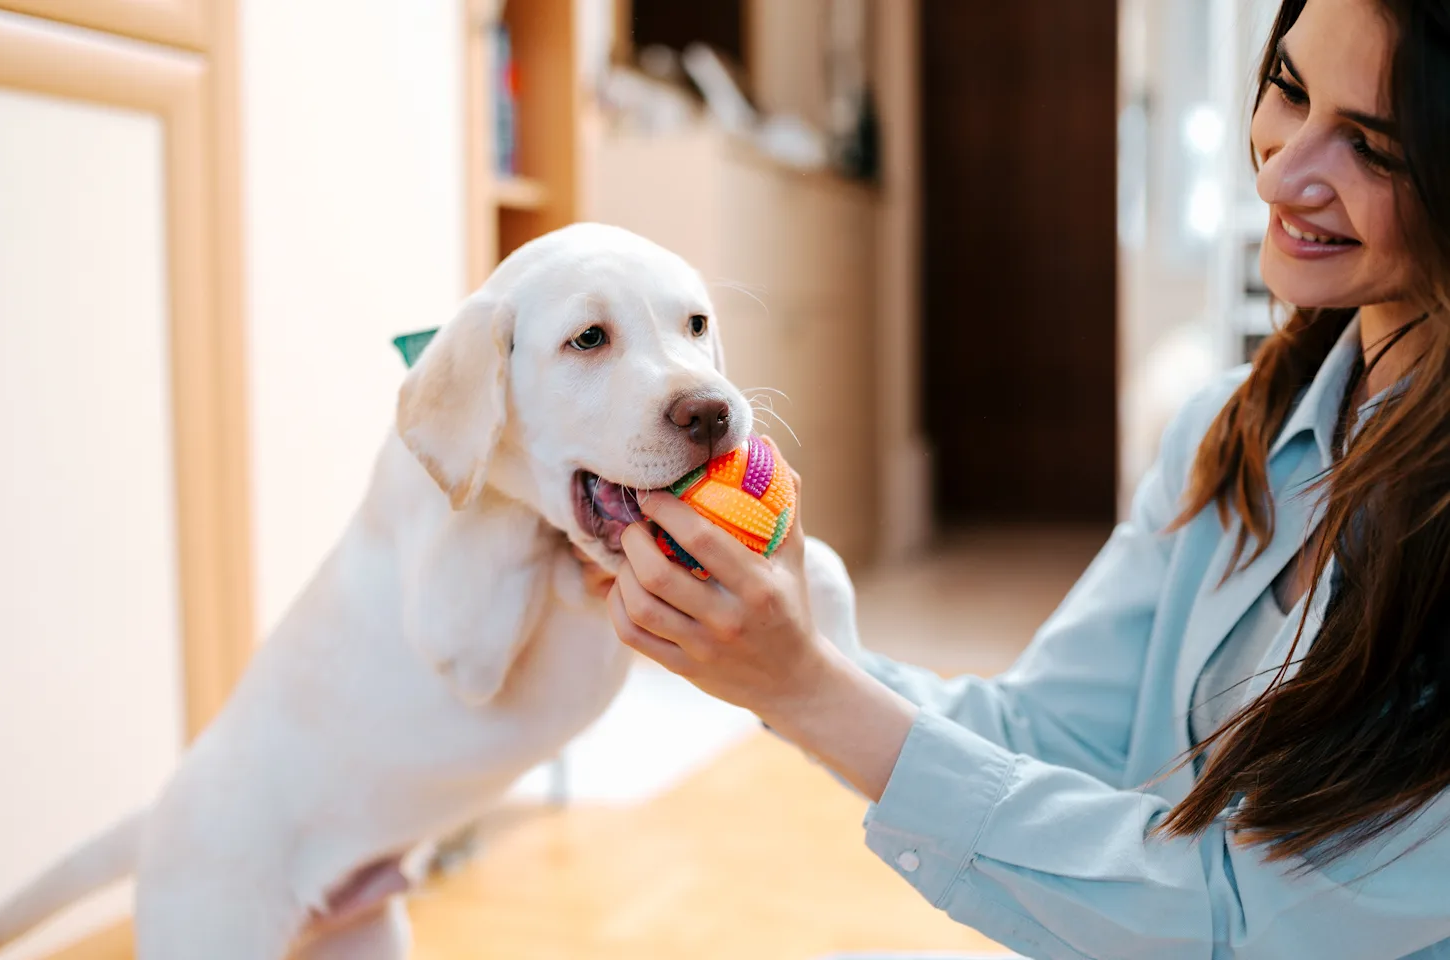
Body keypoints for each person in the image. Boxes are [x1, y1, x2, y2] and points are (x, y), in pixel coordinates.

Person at [592, 0, 1450, 956]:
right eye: (1288, 88)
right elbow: (1048, 730)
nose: (1282, 172)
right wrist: (783, 654)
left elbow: (1238, 924)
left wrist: (808, 692)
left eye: (1375, 147)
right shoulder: (1228, 431)